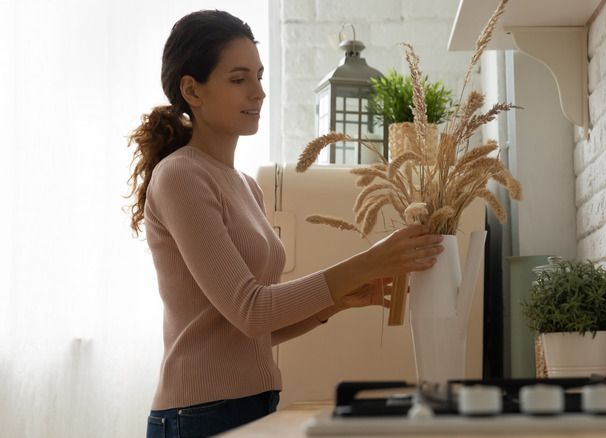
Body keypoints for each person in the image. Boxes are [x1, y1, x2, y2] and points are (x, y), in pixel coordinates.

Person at [125, 10, 444, 438]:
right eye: (239, 79)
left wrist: (338, 302)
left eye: (259, 76)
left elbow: (252, 331)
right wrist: (368, 262)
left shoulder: (245, 186)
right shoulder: (181, 176)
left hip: (252, 403)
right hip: (198, 416)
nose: (258, 91)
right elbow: (251, 310)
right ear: (191, 90)